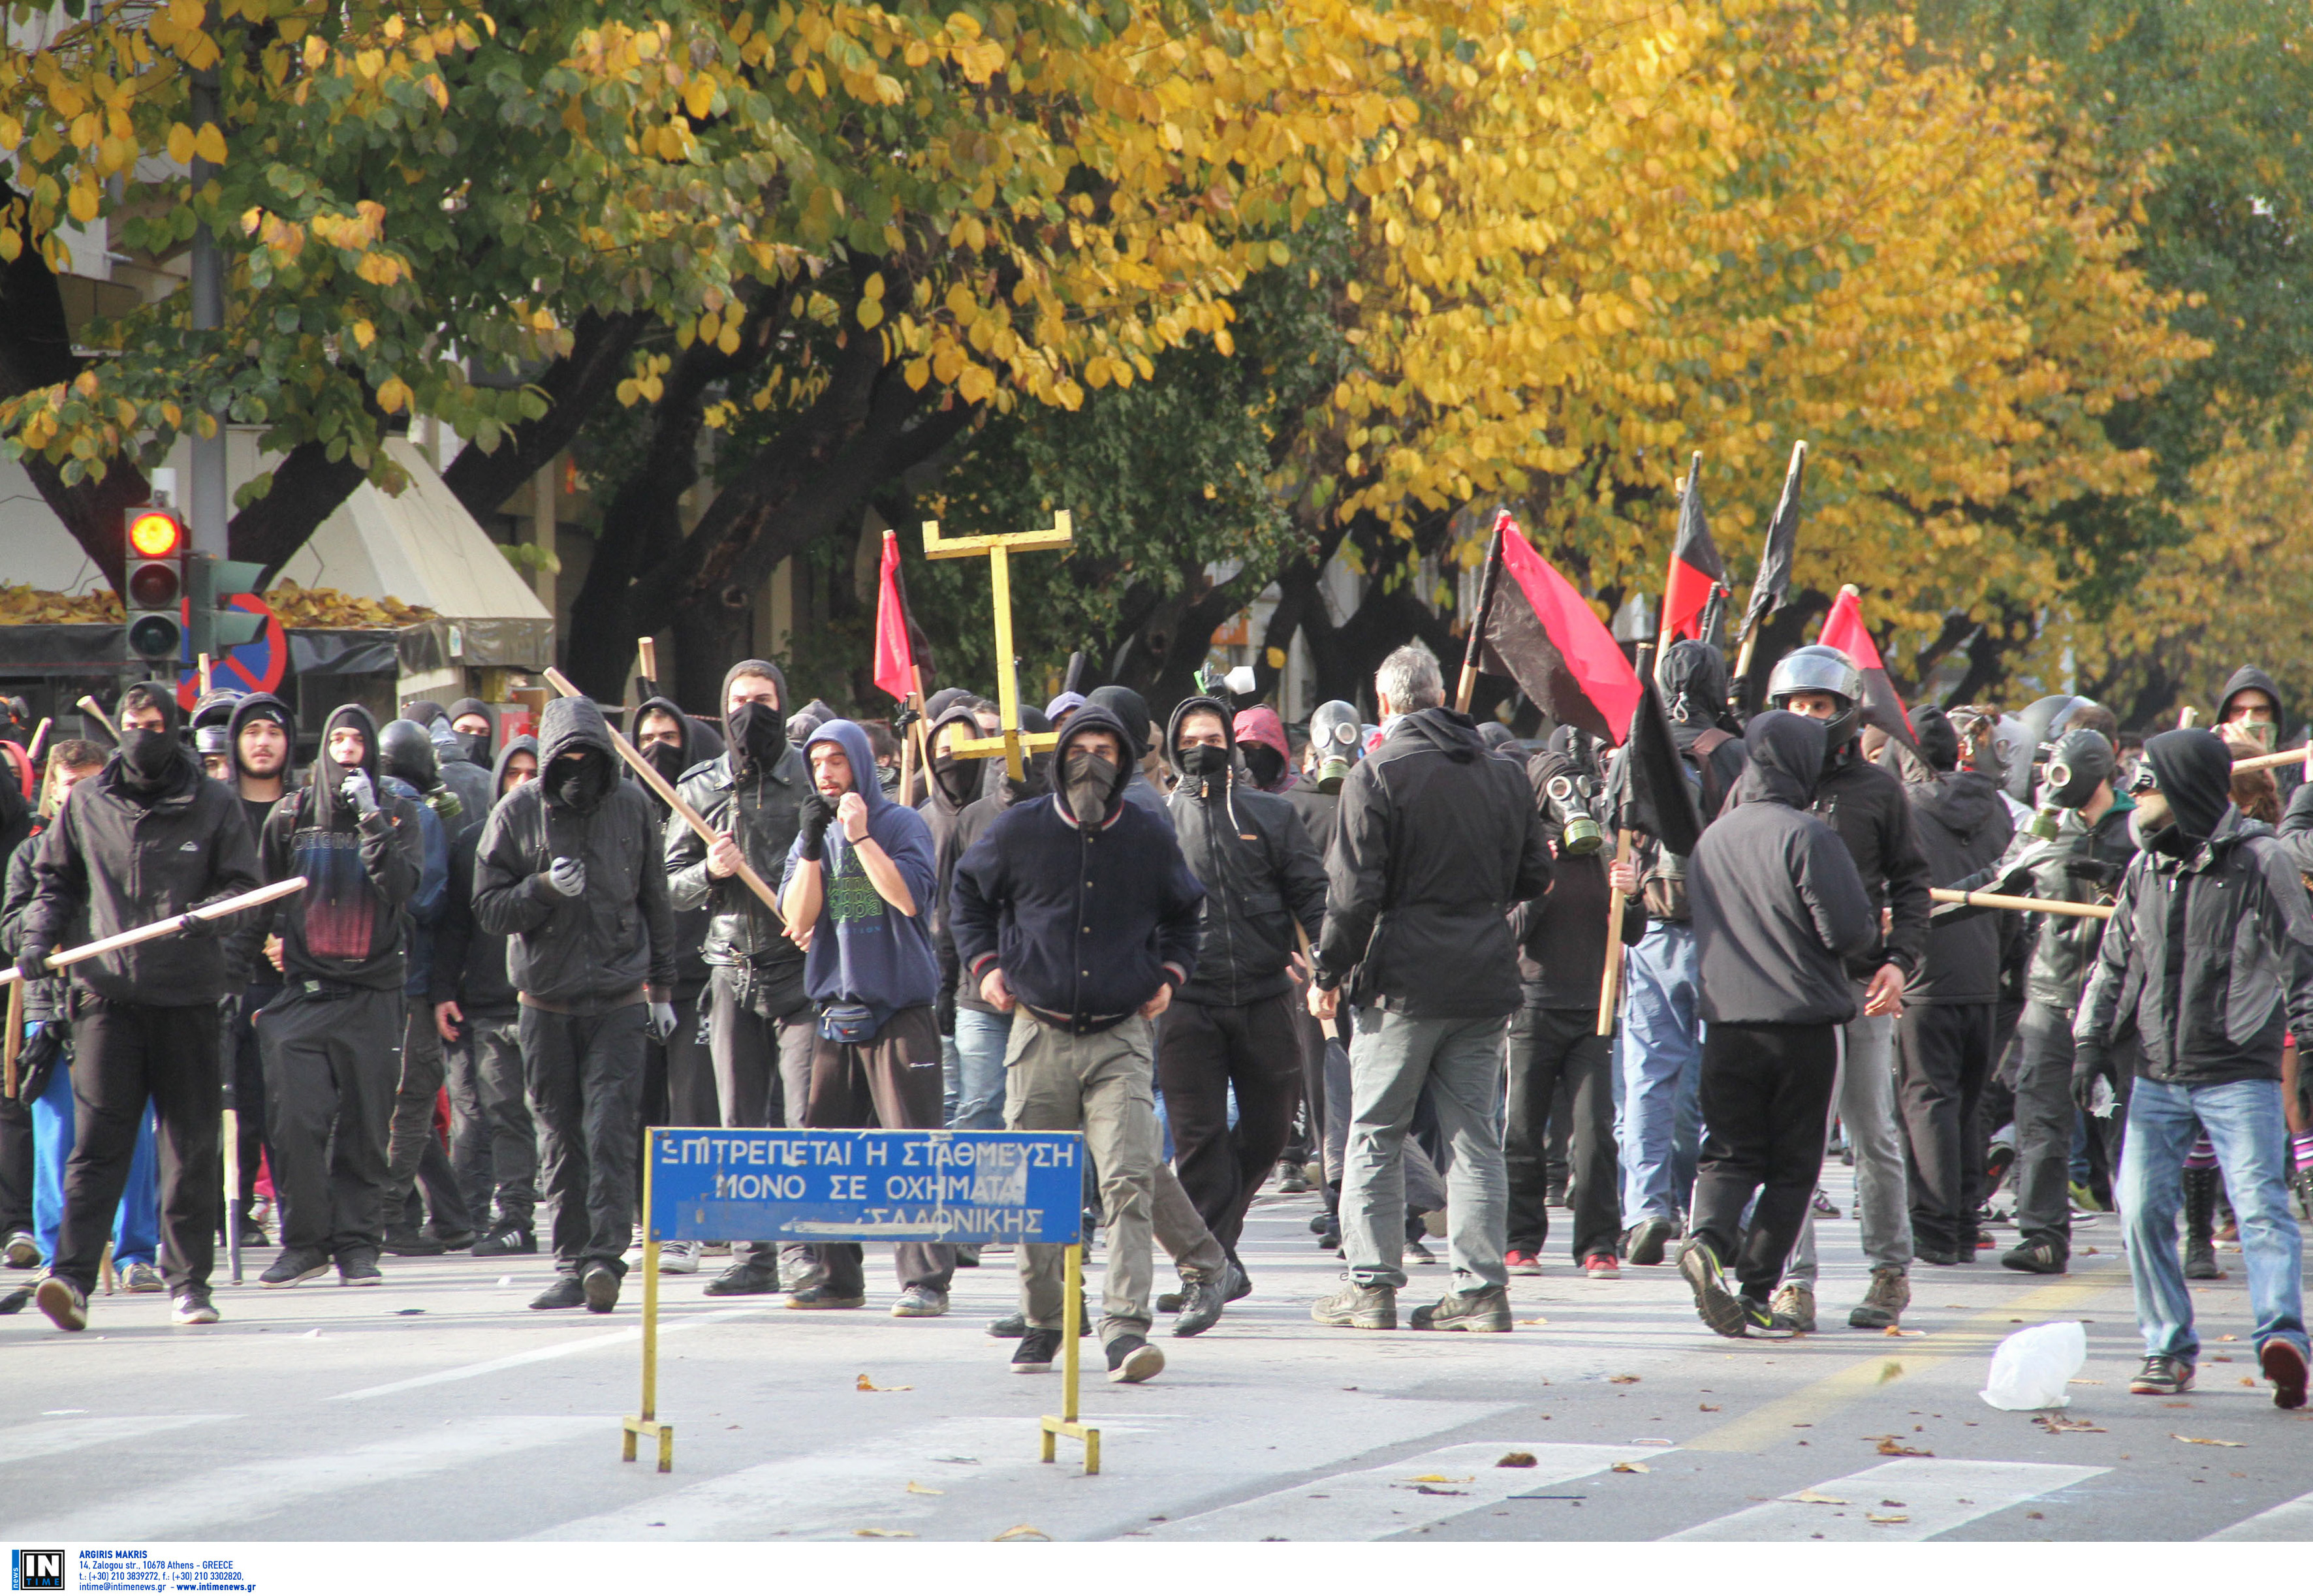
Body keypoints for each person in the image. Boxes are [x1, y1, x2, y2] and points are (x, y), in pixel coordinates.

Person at [950, 703, 1206, 1383]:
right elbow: (966, 897)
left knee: (1127, 1180)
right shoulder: (1018, 831)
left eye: (1107, 749)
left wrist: (1172, 976)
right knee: (1035, 1186)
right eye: (1080, 748)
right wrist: (987, 967)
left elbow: (1187, 913)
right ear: (1060, 758)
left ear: (1126, 763)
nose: (1092, 761)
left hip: (1121, 1035)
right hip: (1037, 1033)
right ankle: (1045, 1320)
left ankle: (1124, 1328)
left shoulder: (1149, 836)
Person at [1306, 642, 1552, 1334]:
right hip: (1482, 978)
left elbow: (1352, 898)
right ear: (1440, 695)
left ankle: (1372, 1285)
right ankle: (1479, 1291)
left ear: (1385, 704)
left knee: (1375, 1134)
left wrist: (1327, 973)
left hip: (1403, 984)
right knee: (1475, 1140)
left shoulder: (1376, 772)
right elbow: (1536, 878)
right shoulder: (1504, 774)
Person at [2077, 728, 2313, 1407]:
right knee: (2142, 1209)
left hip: (2239, 1070)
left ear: (2185, 787)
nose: (2135, 796)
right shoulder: (2144, 868)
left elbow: (2300, 953)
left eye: (2146, 783)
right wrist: (2090, 1041)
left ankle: (2284, 1340)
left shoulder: (2260, 860)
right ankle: (2168, 1349)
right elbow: (2115, 964)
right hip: (2156, 1072)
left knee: (2262, 1209)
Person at [19, 683, 263, 1330]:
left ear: (173, 728)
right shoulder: (90, 802)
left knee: (188, 1145)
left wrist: (208, 919)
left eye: (155, 724)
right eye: (132, 724)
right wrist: (38, 942)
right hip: (106, 997)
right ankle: (70, 1278)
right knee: (97, 1145)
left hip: (187, 997)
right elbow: (55, 882)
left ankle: (190, 1284)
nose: (142, 734)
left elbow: (246, 889)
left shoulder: (213, 804)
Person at [475, 693, 677, 1313]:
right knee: (560, 1136)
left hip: (619, 998)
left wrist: (662, 990)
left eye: (592, 757)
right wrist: (539, 889)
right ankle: (570, 1260)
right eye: (569, 758)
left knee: (611, 1127)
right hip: (545, 1003)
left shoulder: (633, 806)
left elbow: (655, 899)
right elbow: (487, 906)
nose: (580, 769)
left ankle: (605, 1259)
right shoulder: (515, 813)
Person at [1678, 710, 1877, 1337]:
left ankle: (1705, 1242)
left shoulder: (1711, 838)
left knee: (1729, 1153)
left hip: (1726, 1023)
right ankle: (1758, 1287)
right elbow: (1847, 932)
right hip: (1801, 1024)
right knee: (1794, 1166)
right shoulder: (1809, 835)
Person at [1758, 644, 1930, 1332]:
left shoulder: (1880, 791)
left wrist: (1900, 960)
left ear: (1844, 712)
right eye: (1796, 705)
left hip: (1860, 987)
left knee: (1871, 1131)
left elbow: (1913, 884)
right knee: (1791, 1138)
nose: (1807, 716)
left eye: (1819, 706)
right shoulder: (1761, 786)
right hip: (1789, 991)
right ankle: (1791, 1282)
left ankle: (1891, 1270)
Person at [777, 719, 951, 1315]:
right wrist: (809, 849)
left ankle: (925, 1279)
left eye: (836, 762)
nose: (826, 774)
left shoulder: (900, 822)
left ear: (860, 765)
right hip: (834, 1009)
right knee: (828, 1151)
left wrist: (858, 839)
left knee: (913, 1151)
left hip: (901, 1010)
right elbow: (798, 919)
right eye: (817, 763)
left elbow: (908, 898)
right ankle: (836, 1276)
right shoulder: (811, 835)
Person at [249, 706, 426, 1289]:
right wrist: (263, 945)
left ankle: (357, 1243)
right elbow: (263, 896)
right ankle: (305, 1243)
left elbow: (402, 889)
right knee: (296, 1123)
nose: (347, 748)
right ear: (323, 746)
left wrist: (372, 817)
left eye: (358, 739)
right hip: (303, 993)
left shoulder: (400, 815)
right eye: (338, 737)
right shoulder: (290, 815)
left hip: (373, 995)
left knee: (366, 1127)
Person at [1160, 694, 1328, 1309]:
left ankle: (1213, 1252)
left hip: (1264, 996)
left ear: (1230, 746)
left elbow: (1312, 893)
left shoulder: (1272, 814)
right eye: (1190, 738)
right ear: (1174, 748)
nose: (1201, 748)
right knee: (1199, 1140)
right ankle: (1207, 1272)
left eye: (1212, 737)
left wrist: (1327, 966)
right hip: (1185, 1003)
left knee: (1269, 1131)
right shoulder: (1156, 819)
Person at [665, 661, 812, 1298]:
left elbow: (856, 873)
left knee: (807, 1119)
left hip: (806, 970)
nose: (752, 711)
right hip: (730, 968)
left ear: (784, 704)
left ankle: (808, 1255)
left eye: (764, 700)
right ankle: (753, 1255)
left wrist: (834, 925)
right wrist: (711, 872)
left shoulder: (813, 776)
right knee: (740, 1120)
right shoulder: (698, 789)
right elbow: (668, 887)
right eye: (740, 701)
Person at [2, 743, 163, 1302]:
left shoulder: (126, 846)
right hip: (52, 1012)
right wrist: (41, 928)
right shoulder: (29, 855)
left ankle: (136, 1252)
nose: (78, 794)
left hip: (118, 1006)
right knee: (56, 1140)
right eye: (69, 783)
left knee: (132, 1131)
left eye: (90, 782)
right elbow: (10, 927)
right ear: (53, 789)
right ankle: (55, 1256)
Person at [1981, 727, 2132, 1274]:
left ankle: (2148, 1236)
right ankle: (2042, 1234)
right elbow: (1996, 879)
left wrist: (2118, 884)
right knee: (2039, 1117)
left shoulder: (2140, 829)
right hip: (2049, 993)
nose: (2052, 784)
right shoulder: (2045, 832)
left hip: (2118, 1001)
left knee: (2125, 1124)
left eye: (2062, 773)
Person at [1620, 640, 1748, 1266]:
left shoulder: (1634, 749)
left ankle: (1645, 1207)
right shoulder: (1733, 753)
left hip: (1650, 929)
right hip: (1721, 934)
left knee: (1647, 1076)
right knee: (1719, 1075)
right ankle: (1715, 1209)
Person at [1505, 741, 1644, 1279]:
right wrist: (1539, 888)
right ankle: (1520, 1239)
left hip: (1593, 1011)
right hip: (1532, 1010)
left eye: (1579, 787)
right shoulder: (1523, 855)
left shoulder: (1606, 852)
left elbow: (1630, 933)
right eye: (1559, 790)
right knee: (1522, 1132)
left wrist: (1629, 895)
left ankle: (1597, 1243)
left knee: (1593, 1134)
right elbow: (1506, 934)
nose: (1573, 801)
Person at [1890, 706, 2015, 1269]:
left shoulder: (1903, 809)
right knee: (1967, 1102)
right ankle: (1964, 1220)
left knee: (1928, 1099)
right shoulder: (1997, 810)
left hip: (1924, 973)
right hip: (1984, 973)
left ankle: (1937, 1225)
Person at [629, 694, 725, 1274]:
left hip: (695, 977)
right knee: (641, 1105)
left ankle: (689, 1223)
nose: (655, 748)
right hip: (634, 982)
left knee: (691, 1104)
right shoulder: (622, 809)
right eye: (646, 738)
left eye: (668, 736)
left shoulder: (705, 805)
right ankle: (647, 1223)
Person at [434, 736, 543, 1255]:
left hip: (548, 999)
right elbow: (452, 926)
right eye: (513, 773)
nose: (523, 783)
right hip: (485, 1003)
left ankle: (545, 1217)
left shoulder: (564, 841)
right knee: (494, 1115)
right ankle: (494, 1216)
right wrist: (441, 991)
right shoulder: (473, 842)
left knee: (551, 1116)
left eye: (533, 771)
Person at [375, 719, 476, 1255]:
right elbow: (429, 897)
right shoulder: (419, 814)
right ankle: (390, 1215)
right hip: (411, 976)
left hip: (364, 975)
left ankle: (450, 1215)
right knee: (413, 1099)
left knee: (399, 1095)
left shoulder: (359, 806)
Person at [222, 693, 296, 1244]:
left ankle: (301, 1211)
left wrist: (294, 937)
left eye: (272, 730)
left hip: (293, 981)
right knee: (237, 1105)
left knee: (292, 1107)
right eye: (251, 732)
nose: (262, 742)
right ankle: (237, 1210)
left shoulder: (303, 807)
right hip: (228, 978)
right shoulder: (216, 809)